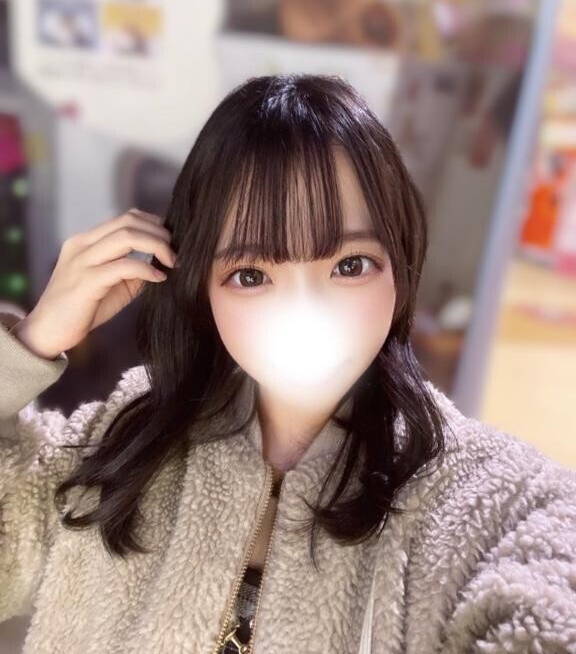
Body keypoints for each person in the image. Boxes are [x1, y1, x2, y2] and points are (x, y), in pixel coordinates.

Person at [1, 74, 575, 653]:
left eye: (350, 265)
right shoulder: (120, 441)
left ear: (400, 267)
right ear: (200, 287)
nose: (306, 313)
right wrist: (32, 341)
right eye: (251, 275)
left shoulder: (495, 501)